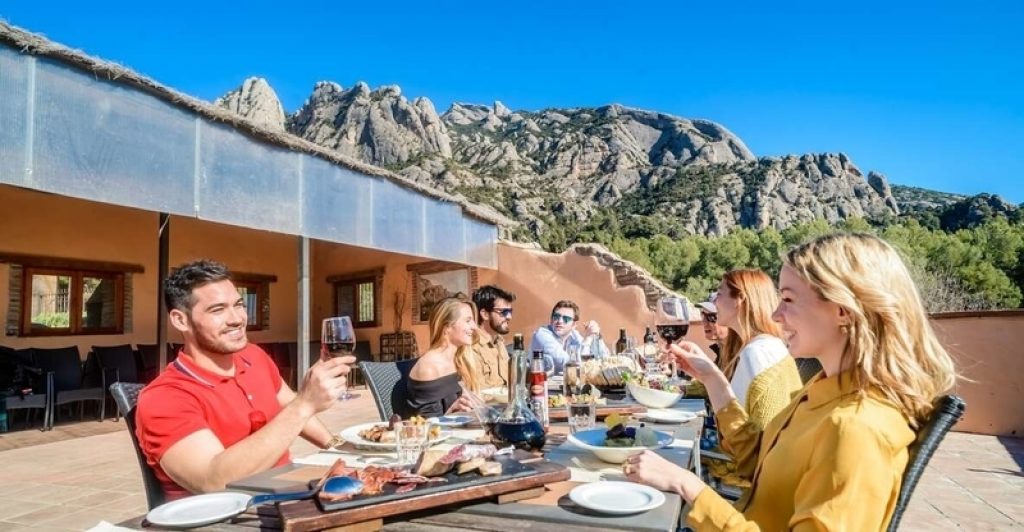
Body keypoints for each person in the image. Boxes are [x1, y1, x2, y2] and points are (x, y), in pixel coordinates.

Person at [624, 233, 957, 530]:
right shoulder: (822, 391)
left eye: (788, 299)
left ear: (843, 309)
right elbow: (759, 458)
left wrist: (689, 487)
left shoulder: (855, 427)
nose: (775, 315)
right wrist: (712, 378)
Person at [136, 260, 353, 500]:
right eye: (217, 310)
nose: (237, 318)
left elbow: (290, 405)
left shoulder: (253, 356)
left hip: (288, 493)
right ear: (180, 320)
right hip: (227, 517)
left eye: (239, 305)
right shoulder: (165, 397)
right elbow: (212, 480)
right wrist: (305, 404)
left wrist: (339, 448)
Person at [713, 269, 802, 431]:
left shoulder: (758, 353)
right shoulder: (763, 346)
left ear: (740, 299)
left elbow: (766, 439)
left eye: (719, 294)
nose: (714, 302)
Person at [405, 297, 480, 417]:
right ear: (447, 327)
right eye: (468, 320)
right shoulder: (428, 368)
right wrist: (451, 412)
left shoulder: (459, 360)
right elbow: (427, 428)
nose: (475, 327)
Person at [529, 300, 610, 373]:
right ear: (551, 319)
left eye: (566, 319)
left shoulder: (574, 335)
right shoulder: (542, 335)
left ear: (574, 325)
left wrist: (596, 336)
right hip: (540, 386)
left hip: (566, 386)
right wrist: (588, 340)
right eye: (556, 317)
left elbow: (604, 359)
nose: (560, 321)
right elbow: (572, 366)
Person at [470, 285, 516, 391]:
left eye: (510, 311)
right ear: (485, 314)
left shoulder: (498, 341)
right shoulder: (472, 347)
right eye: (504, 312)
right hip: (488, 406)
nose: (509, 317)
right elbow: (477, 394)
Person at [698, 293, 729, 361]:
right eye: (703, 315)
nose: (704, 323)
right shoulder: (722, 354)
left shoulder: (743, 356)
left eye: (711, 317)